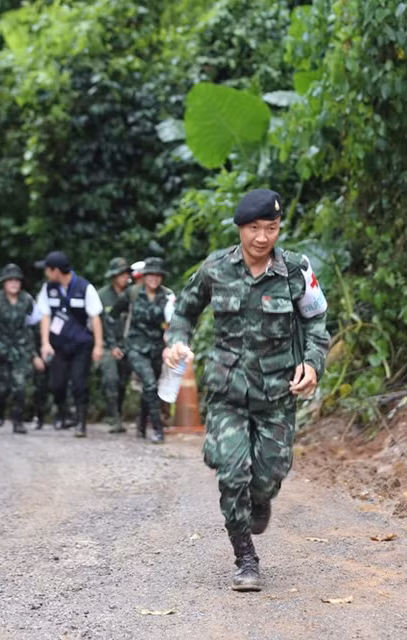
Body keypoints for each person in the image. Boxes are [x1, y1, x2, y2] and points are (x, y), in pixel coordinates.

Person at [164, 188, 330, 592]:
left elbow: (316, 323)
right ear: (240, 228)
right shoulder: (215, 268)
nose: (261, 237)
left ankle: (261, 500)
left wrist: (312, 363)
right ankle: (245, 558)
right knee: (233, 472)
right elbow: (184, 311)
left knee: (268, 475)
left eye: (270, 228)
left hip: (277, 392)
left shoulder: (295, 270)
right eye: (254, 228)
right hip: (227, 392)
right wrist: (176, 341)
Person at [35, 251, 104, 438]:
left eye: (47, 270)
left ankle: (81, 422)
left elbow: (95, 317)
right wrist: (45, 343)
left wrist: (98, 345)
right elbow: (45, 316)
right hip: (58, 345)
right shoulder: (48, 289)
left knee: (79, 383)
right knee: (57, 384)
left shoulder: (84, 287)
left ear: (56, 270)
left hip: (81, 344)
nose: (46, 274)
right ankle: (61, 413)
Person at [116, 257, 176, 443]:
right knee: (149, 383)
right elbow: (111, 316)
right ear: (144, 276)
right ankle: (157, 429)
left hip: (158, 348)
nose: (154, 279)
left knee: (151, 387)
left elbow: (175, 321)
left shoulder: (168, 296)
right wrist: (115, 343)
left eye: (158, 275)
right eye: (150, 275)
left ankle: (142, 421)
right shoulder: (132, 293)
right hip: (136, 347)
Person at [0, 263, 41, 434]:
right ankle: (0, 407)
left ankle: (18, 421)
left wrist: (35, 354)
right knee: (2, 389)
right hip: (1, 351)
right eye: (10, 280)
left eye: (17, 280)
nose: (14, 283)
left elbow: (33, 328)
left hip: (22, 350)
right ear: (4, 282)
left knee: (20, 387)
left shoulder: (27, 300)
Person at [98, 257, 132, 434]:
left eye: (126, 273)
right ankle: (114, 417)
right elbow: (98, 323)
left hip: (128, 344)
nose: (124, 277)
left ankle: (116, 411)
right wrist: (110, 346)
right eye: (120, 274)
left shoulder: (133, 293)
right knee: (110, 378)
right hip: (106, 344)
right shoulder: (102, 296)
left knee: (123, 381)